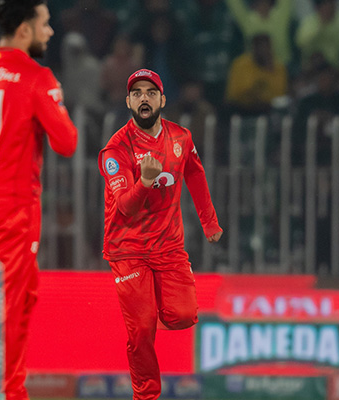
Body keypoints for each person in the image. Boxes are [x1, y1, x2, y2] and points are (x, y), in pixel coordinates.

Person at [0, 1, 78, 399]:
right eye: (45, 24)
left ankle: (10, 390)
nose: (51, 32)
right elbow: (66, 141)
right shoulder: (34, 75)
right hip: (11, 204)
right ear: (24, 29)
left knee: (21, 296)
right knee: (4, 306)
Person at [98, 69, 223, 400]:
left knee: (183, 316)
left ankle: (152, 304)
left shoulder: (181, 138)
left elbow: (195, 174)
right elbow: (125, 206)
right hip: (127, 249)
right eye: (136, 93)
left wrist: (209, 222)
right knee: (141, 329)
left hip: (168, 247)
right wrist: (146, 181)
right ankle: (147, 396)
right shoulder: (116, 150)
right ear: (128, 101)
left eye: (151, 92)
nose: (144, 98)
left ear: (162, 100)